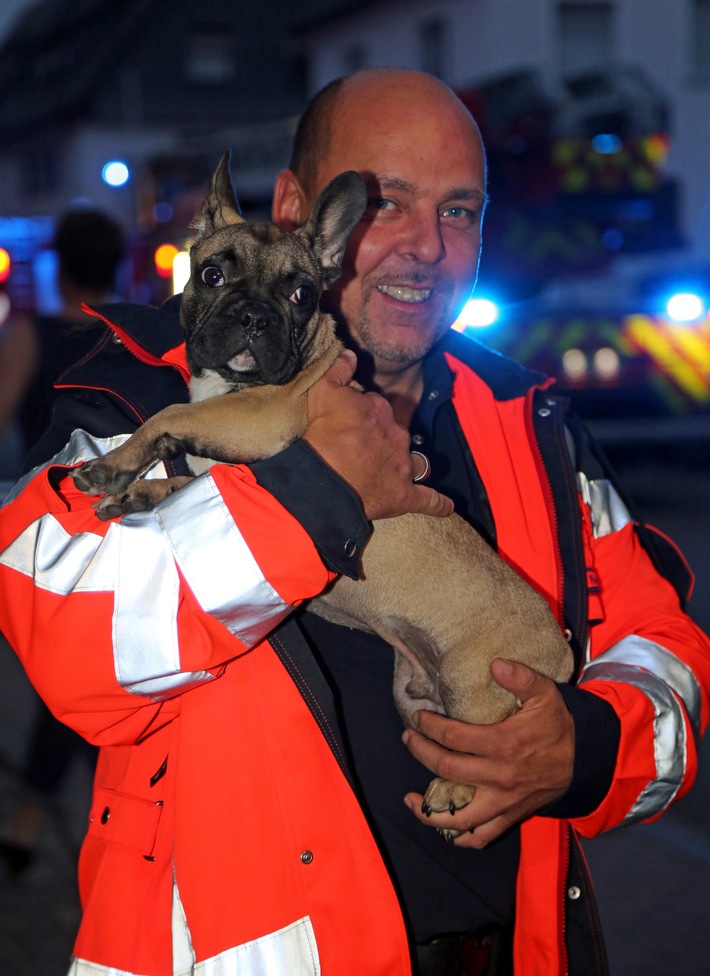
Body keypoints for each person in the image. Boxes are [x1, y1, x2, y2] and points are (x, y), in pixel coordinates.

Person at [0, 67, 708, 976]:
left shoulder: (529, 421)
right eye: (388, 203)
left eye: (460, 211)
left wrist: (588, 744)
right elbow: (67, 643)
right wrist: (311, 492)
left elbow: (665, 647)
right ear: (298, 210)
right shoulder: (136, 386)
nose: (425, 247)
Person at [0, 208, 125, 874]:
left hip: (45, 523)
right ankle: (65, 816)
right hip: (116, 521)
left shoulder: (31, 336)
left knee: (61, 673)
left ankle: (34, 818)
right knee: (83, 667)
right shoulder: (135, 336)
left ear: (58, 264)